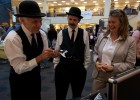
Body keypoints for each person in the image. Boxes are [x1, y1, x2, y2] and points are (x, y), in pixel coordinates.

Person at [4, 1, 59, 100]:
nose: (39, 25)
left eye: (40, 21)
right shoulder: (13, 38)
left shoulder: (42, 35)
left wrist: (51, 54)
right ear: (22, 20)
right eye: (34, 21)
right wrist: (40, 57)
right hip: (19, 82)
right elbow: (19, 68)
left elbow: (45, 53)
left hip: (36, 78)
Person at [92, 9, 136, 93]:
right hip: (99, 76)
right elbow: (95, 53)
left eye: (113, 22)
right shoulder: (102, 36)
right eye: (109, 22)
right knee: (96, 97)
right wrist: (97, 62)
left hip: (116, 78)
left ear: (121, 23)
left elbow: (130, 64)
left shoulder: (130, 41)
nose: (110, 25)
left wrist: (113, 67)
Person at [53, 7, 90, 100]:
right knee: (60, 95)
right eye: (70, 19)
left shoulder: (84, 33)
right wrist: (56, 66)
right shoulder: (61, 33)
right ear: (67, 18)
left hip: (78, 71)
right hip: (62, 70)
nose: (72, 22)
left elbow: (87, 53)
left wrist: (84, 68)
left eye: (74, 20)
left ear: (79, 21)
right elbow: (57, 51)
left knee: (77, 96)